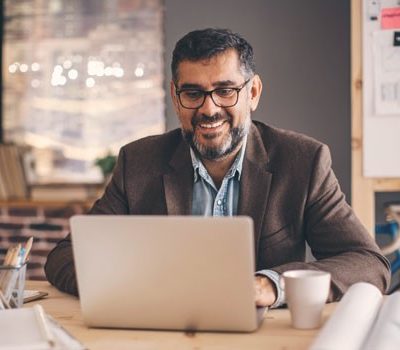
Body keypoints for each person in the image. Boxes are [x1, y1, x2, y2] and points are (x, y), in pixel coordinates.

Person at [45, 28, 390, 308]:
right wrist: (140, 287)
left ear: (252, 92)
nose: (209, 109)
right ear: (174, 96)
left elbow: (367, 262)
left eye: (225, 91)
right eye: (193, 93)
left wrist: (271, 285)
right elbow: (64, 258)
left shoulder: (304, 161)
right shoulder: (138, 162)